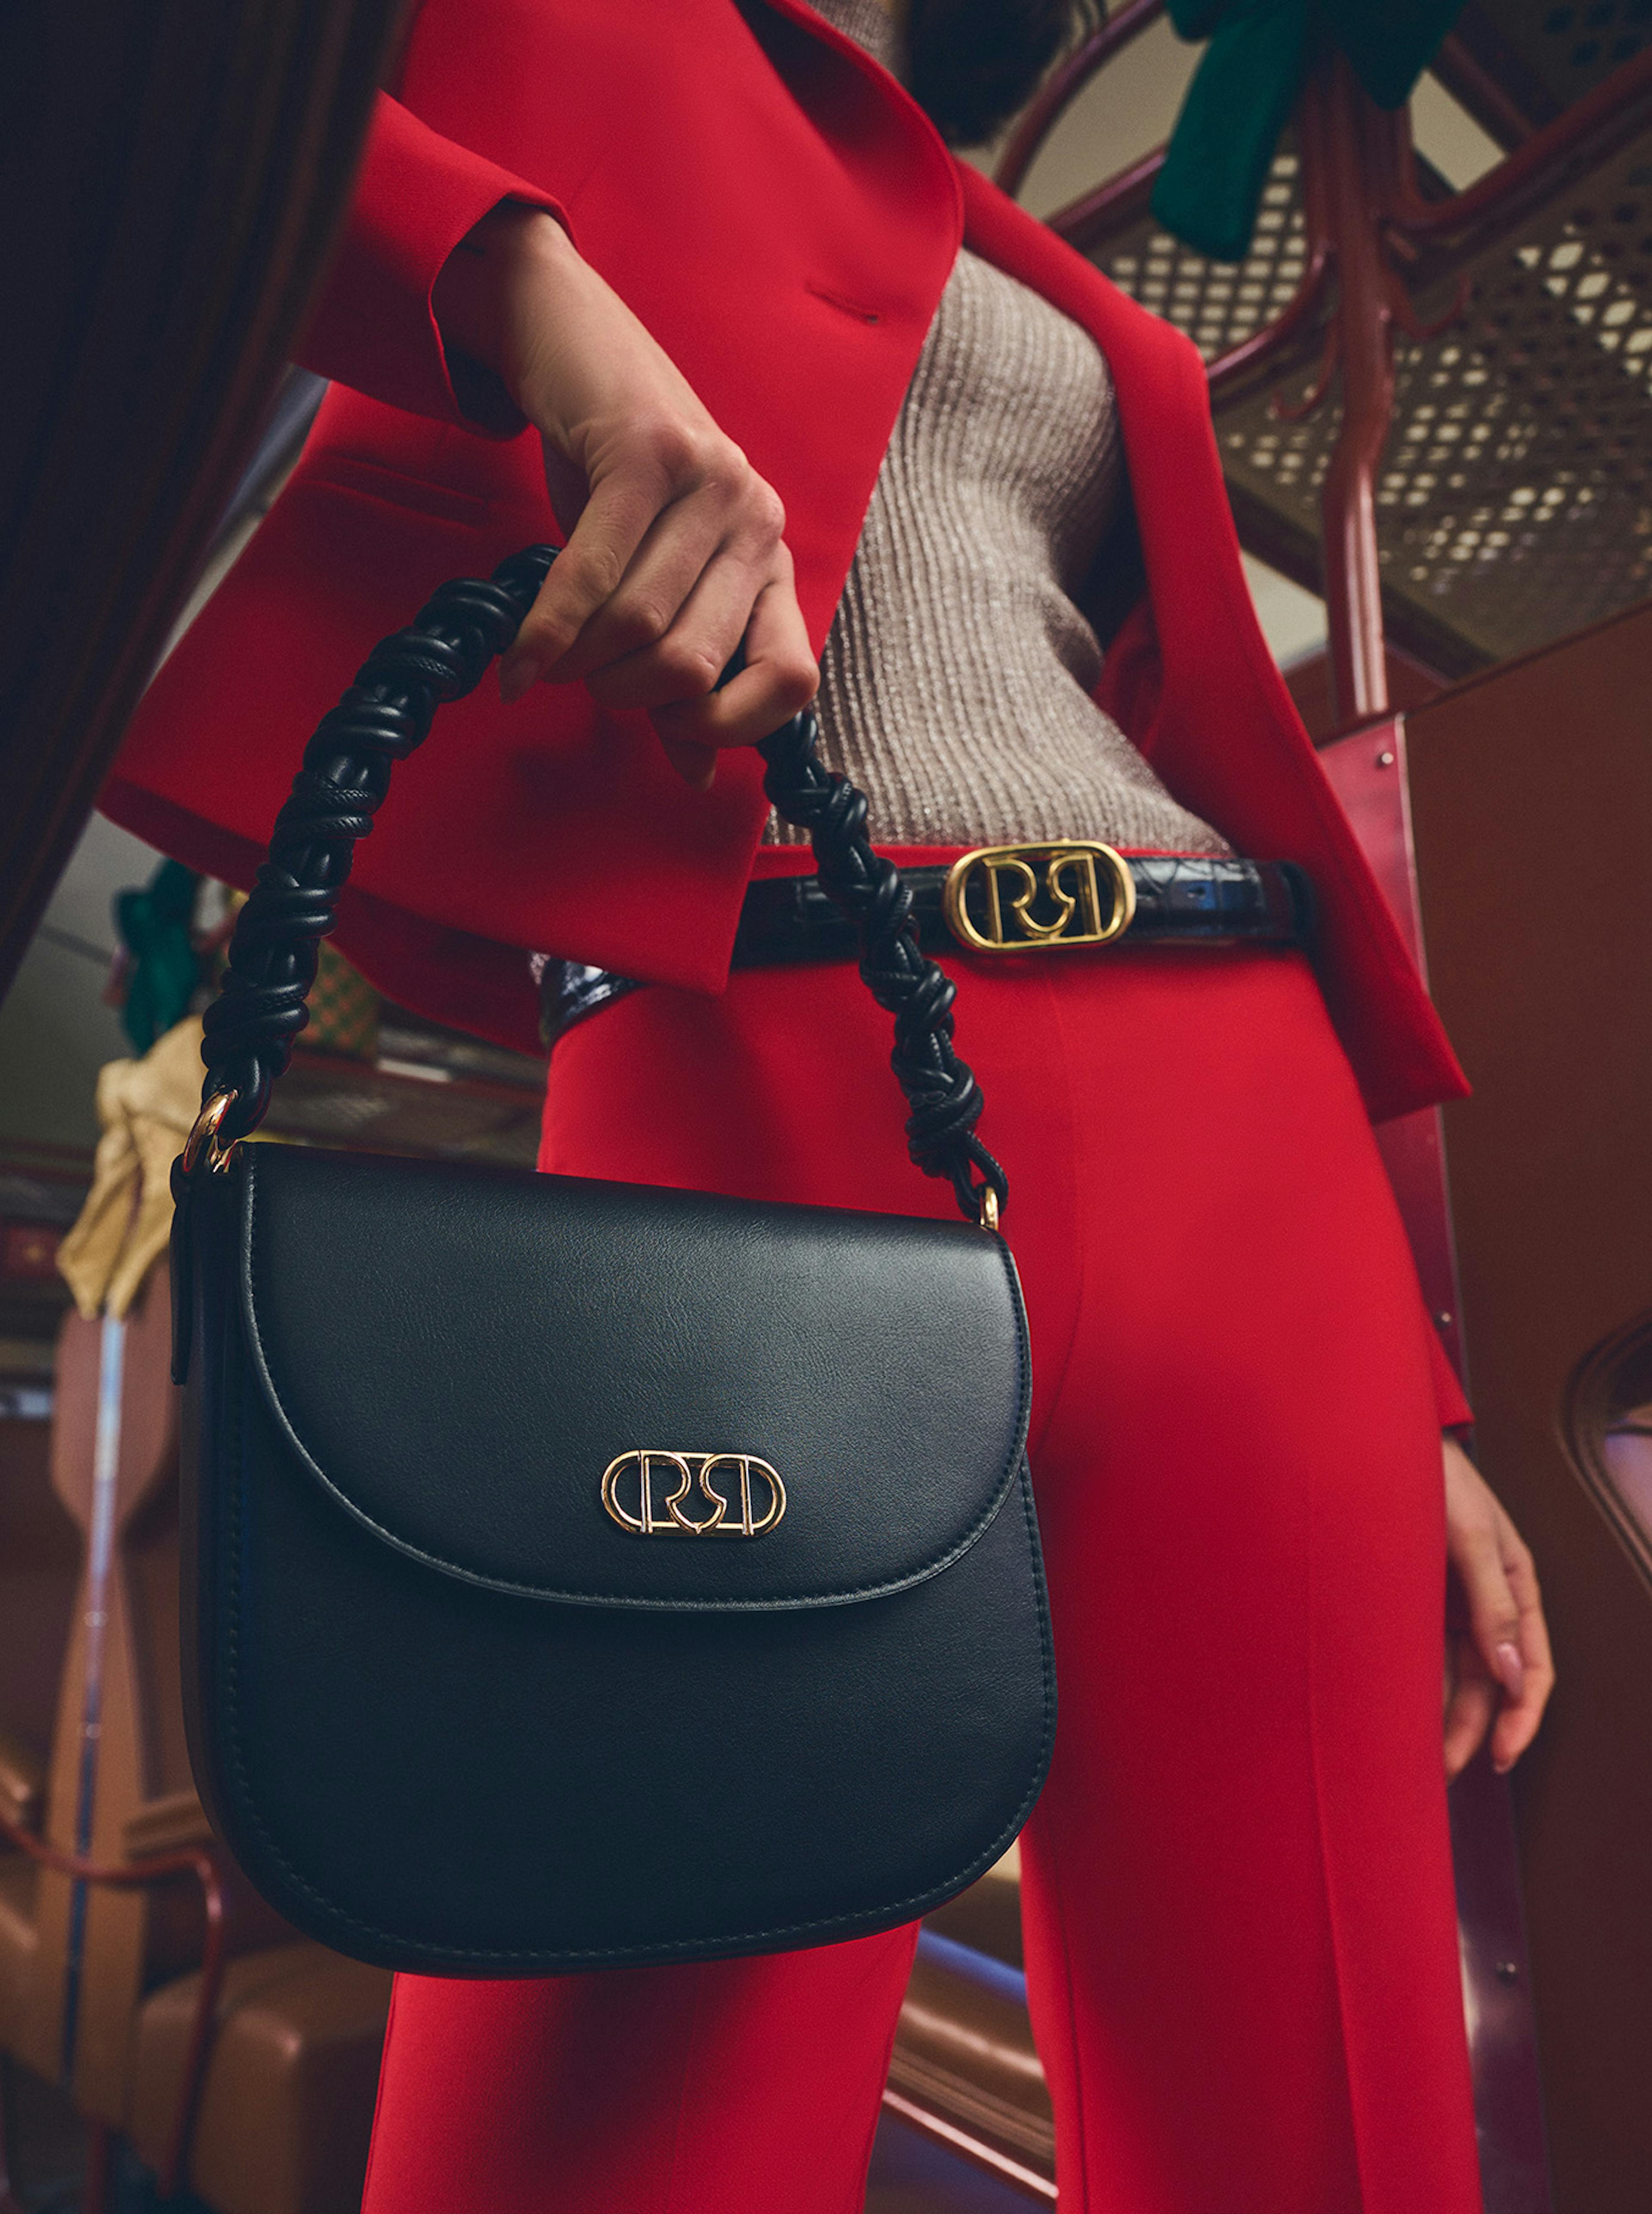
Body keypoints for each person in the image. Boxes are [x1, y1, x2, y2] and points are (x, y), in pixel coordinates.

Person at [103, 2, 1555, 2208]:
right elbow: (158, 104)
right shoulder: (535, 25)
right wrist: (534, 296)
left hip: (1241, 1087)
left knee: (1330, 2099)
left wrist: (1421, 1409)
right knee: (606, 2089)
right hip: (760, 1078)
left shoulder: (1004, 235)